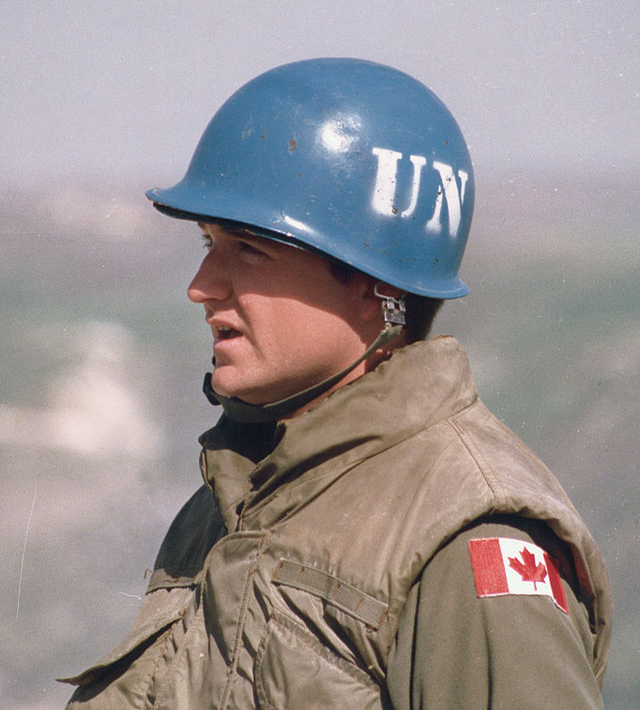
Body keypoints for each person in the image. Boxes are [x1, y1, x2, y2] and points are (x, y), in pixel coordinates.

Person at [62, 58, 611, 708]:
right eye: (206, 244)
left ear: (375, 287)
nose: (201, 287)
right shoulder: (232, 500)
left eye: (249, 250)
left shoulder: (469, 543)